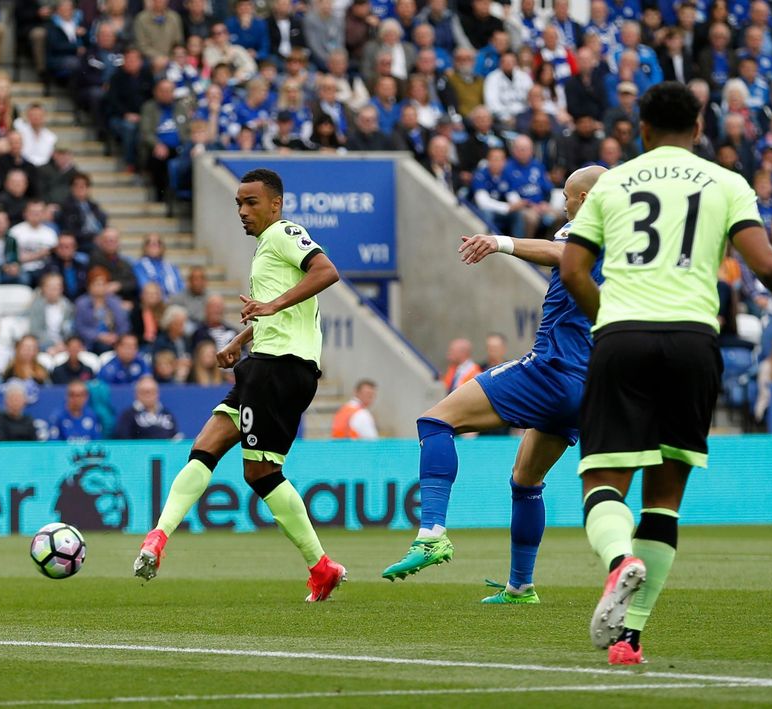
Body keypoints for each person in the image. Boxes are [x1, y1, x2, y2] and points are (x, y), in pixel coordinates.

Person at [559, 82, 772, 665]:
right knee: (664, 500)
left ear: (641, 129)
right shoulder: (728, 183)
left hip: (624, 335)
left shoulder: (612, 183)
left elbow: (574, 266)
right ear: (701, 127)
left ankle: (618, 563)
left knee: (602, 478)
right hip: (693, 341)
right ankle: (630, 639)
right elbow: (765, 266)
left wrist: (607, 319)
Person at [380, 167, 607, 604]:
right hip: (586, 386)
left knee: (435, 421)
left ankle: (431, 534)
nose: (562, 205)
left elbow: (564, 255)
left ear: (582, 198)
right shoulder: (629, 241)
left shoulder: (587, 225)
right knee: (526, 480)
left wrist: (500, 241)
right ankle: (520, 586)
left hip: (551, 369)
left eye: (566, 197)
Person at [134, 168, 346, 603]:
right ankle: (158, 536)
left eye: (251, 202)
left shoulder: (286, 232)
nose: (243, 211)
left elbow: (327, 271)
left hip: (281, 368)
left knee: (261, 472)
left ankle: (321, 566)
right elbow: (279, 312)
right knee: (207, 444)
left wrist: (271, 304)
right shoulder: (268, 249)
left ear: (276, 204)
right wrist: (238, 339)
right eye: (238, 203)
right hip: (265, 364)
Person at [111, 376, 180, 440]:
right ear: (137, 394)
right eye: (145, 392)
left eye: (152, 392)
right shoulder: (128, 415)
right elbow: (123, 439)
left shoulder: (166, 414)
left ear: (157, 393)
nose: (148, 395)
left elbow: (175, 436)